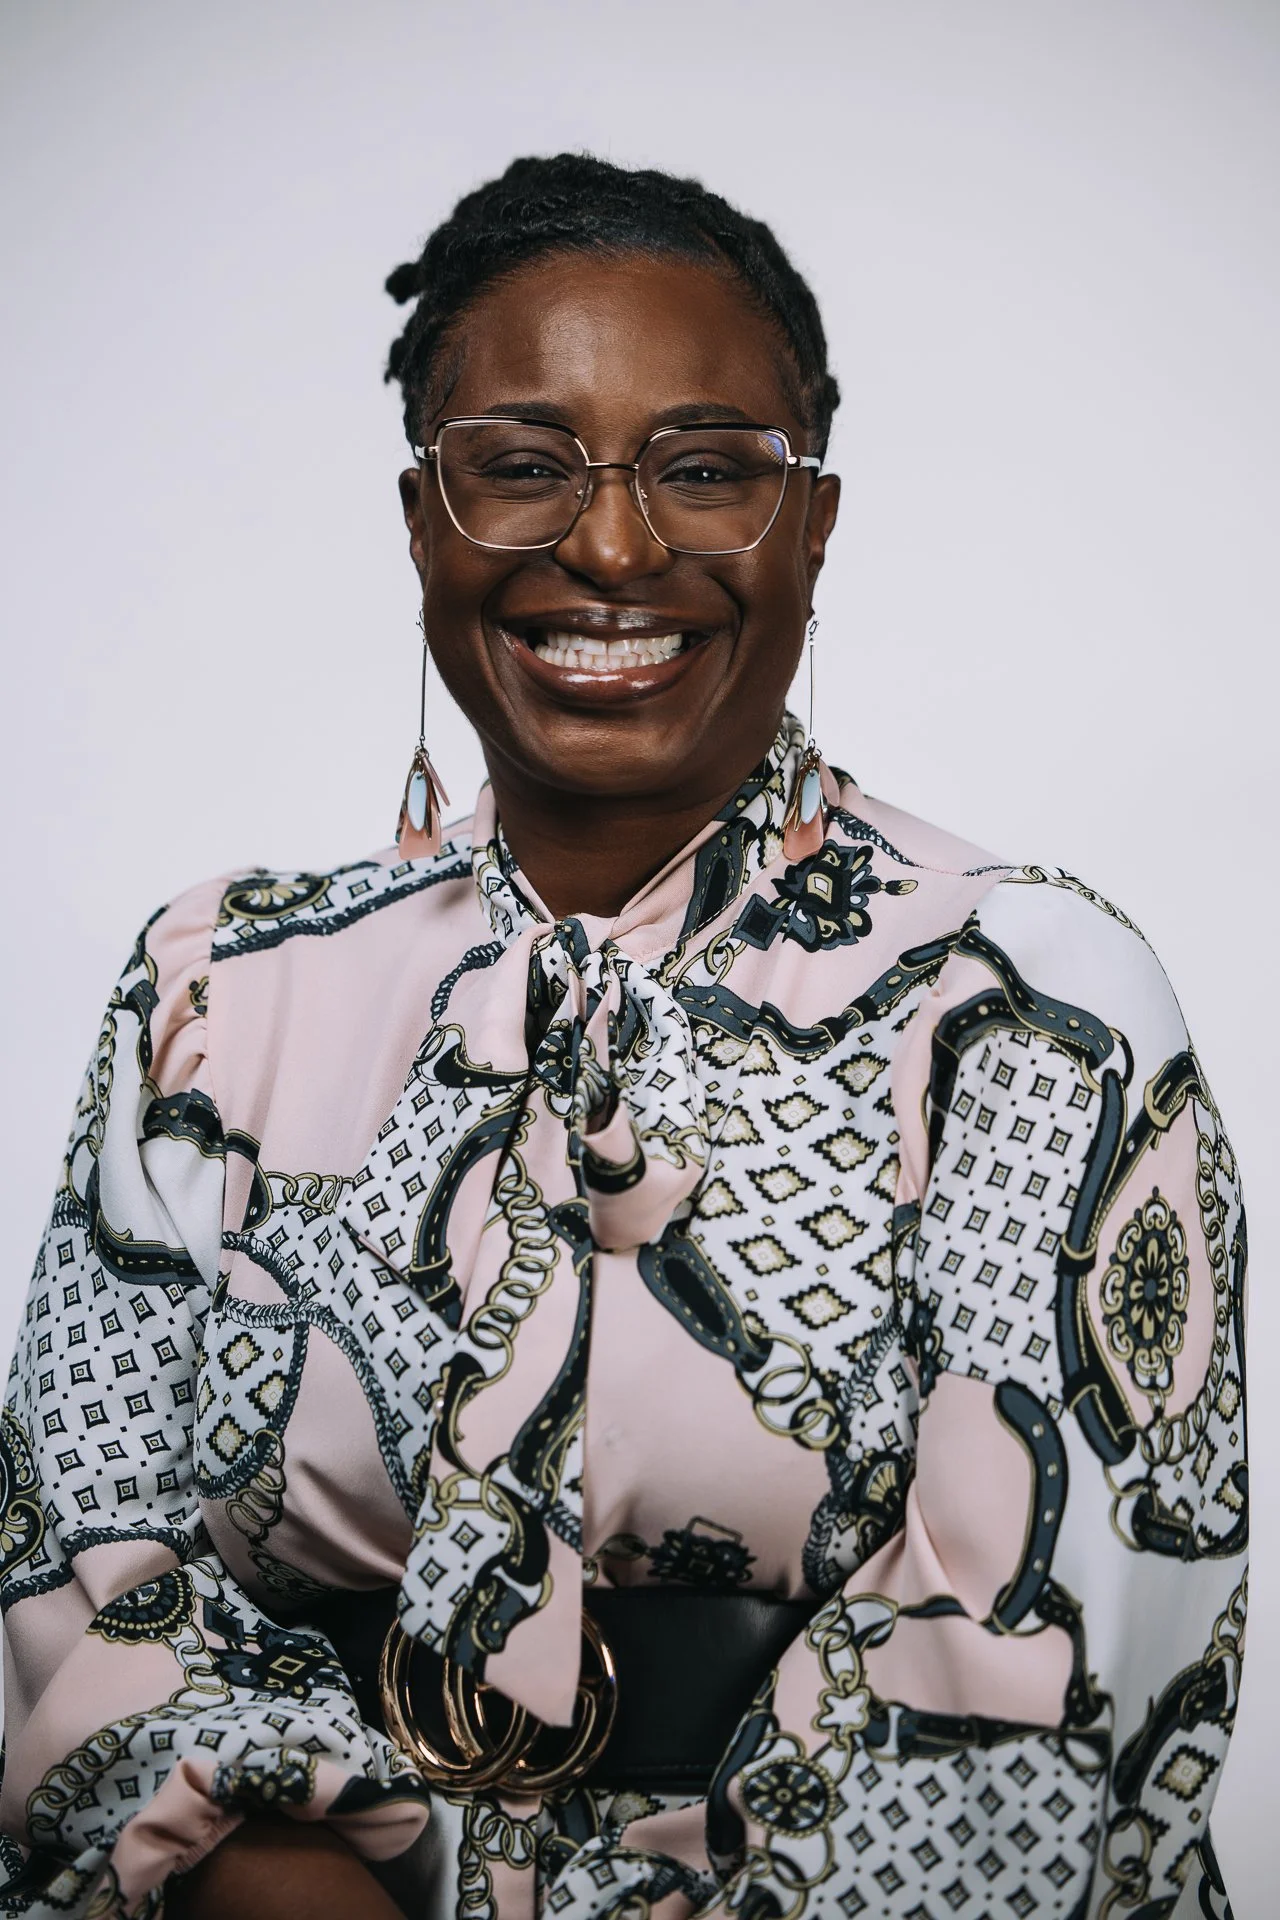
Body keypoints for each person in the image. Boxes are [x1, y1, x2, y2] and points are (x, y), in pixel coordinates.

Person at [0, 154, 1245, 1920]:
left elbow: (1037, 1675)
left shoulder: (1032, 1005)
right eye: (521, 466)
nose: (608, 547)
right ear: (423, 517)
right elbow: (79, 1567)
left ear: (812, 523)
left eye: (706, 469)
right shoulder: (213, 991)